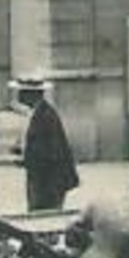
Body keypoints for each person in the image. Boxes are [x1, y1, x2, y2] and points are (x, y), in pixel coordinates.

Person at [16, 76, 79, 211]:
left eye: (21, 92)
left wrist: (28, 159)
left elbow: (51, 151)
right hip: (43, 178)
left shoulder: (46, 115)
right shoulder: (38, 113)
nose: (18, 96)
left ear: (31, 95)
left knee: (44, 214)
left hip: (49, 181)